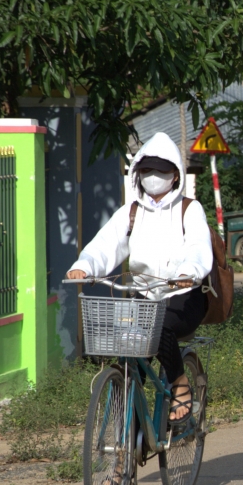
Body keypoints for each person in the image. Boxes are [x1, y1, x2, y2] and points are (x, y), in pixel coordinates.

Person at [66, 132, 212, 426]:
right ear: (137, 174)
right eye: (147, 170)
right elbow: (105, 245)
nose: (153, 177)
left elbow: (198, 246)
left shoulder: (189, 209)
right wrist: (85, 265)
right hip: (143, 296)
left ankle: (180, 383)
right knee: (128, 358)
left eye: (161, 170)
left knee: (161, 326)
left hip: (184, 295)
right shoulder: (131, 212)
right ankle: (129, 440)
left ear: (175, 175)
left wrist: (189, 273)